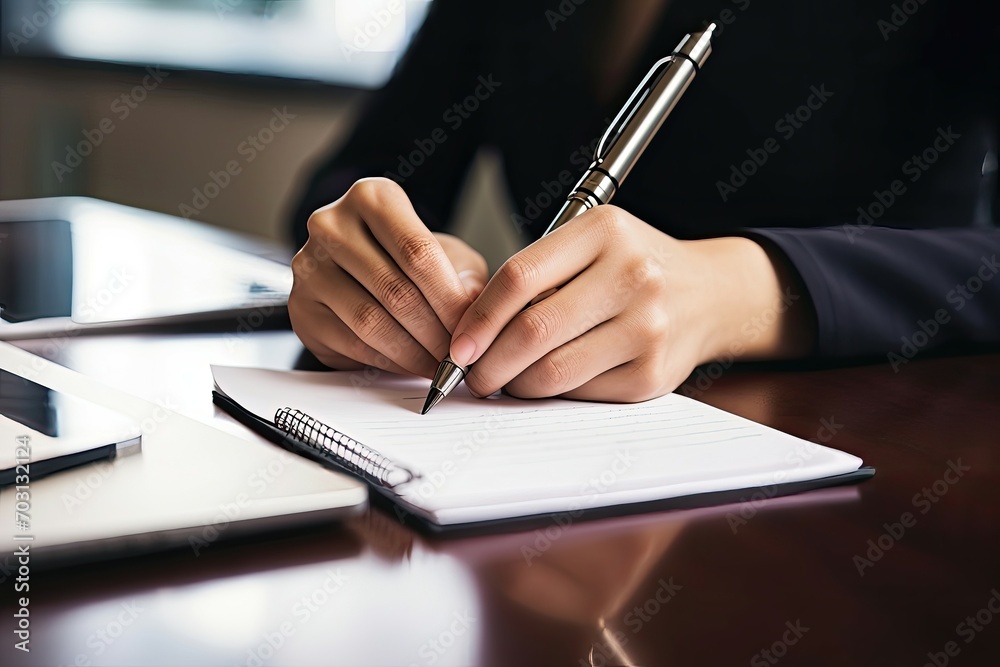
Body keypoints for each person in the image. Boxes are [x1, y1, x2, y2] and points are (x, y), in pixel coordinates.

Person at [287, 0, 1000, 403]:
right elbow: (359, 176)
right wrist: (403, 267)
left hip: (876, 473)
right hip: (541, 483)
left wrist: (752, 287)